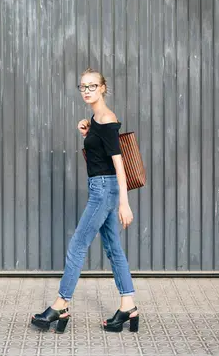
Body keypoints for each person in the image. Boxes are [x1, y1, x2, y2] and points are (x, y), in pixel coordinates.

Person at [31, 68, 139, 333]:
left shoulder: (107, 118)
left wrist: (124, 203)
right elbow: (100, 146)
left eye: (92, 86)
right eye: (83, 87)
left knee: (76, 247)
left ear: (103, 87)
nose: (87, 90)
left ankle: (61, 304)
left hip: (104, 190)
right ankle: (128, 306)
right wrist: (87, 130)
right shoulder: (97, 119)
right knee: (113, 249)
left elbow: (119, 163)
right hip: (102, 187)